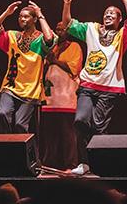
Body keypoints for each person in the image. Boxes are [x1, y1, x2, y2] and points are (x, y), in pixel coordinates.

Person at [62, 0, 127, 175]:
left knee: (99, 128)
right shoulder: (91, 29)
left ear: (119, 19)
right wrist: (67, 4)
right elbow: (67, 24)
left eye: (113, 14)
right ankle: (84, 163)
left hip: (110, 88)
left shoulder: (122, 35)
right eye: (106, 13)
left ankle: (98, 164)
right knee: (80, 121)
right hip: (87, 84)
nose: (108, 15)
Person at [0, 1, 55, 133]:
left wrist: (40, 14)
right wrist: (6, 13)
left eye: (26, 16)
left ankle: (20, 153)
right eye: (20, 16)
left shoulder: (40, 39)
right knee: (3, 115)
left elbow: (50, 38)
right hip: (10, 85)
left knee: (20, 125)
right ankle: (5, 149)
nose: (22, 19)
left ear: (34, 19)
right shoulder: (13, 36)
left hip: (31, 89)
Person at [40, 21, 83, 170]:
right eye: (57, 29)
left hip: (66, 97)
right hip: (50, 98)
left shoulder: (74, 46)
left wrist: (55, 60)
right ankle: (49, 163)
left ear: (69, 31)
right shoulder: (53, 47)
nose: (59, 32)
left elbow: (74, 68)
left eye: (62, 29)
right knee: (50, 134)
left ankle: (70, 164)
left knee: (67, 134)